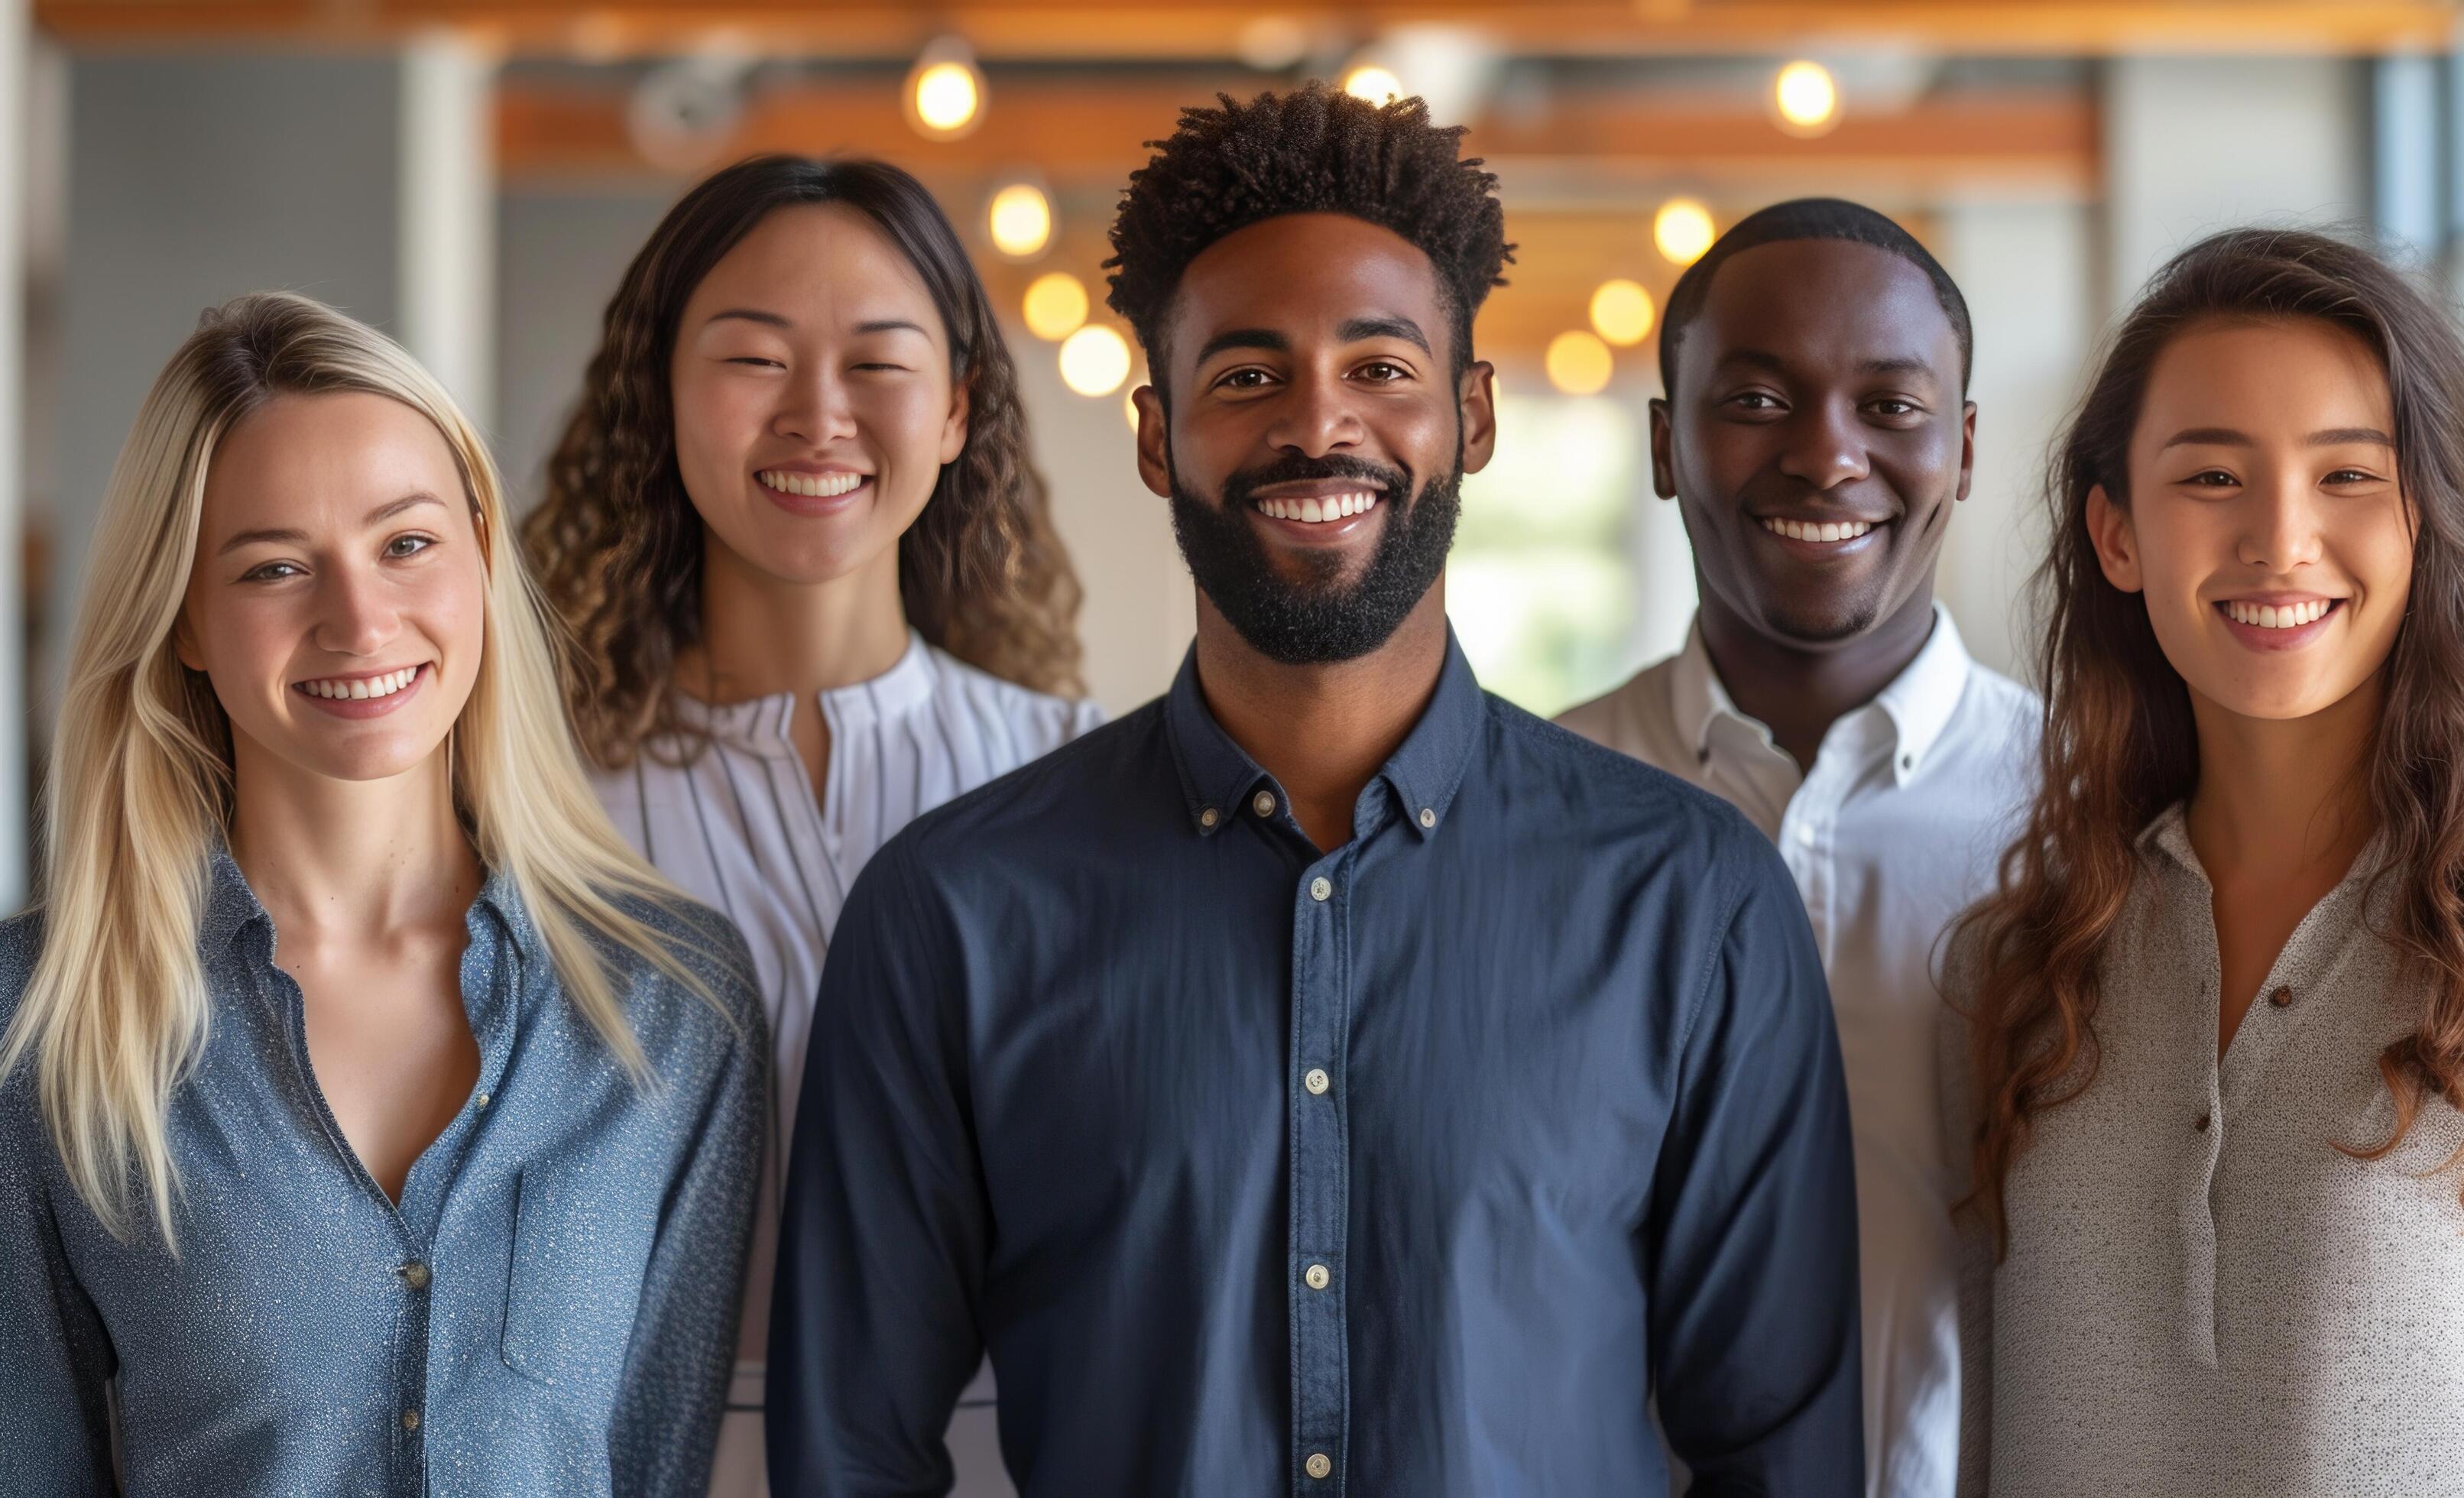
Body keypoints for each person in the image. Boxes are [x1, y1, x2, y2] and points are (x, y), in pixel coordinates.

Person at [767, 83, 1863, 1496]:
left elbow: (1781, 1452)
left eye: (1380, 369)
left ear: (1470, 416)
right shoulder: (951, 914)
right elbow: (850, 1448)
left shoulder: (1693, 904)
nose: (1317, 425)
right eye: (1245, 376)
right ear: (1158, 437)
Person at [1940, 227, 2464, 1495]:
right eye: (2212, 478)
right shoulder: (2014, 963)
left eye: (2346, 477)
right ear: (2117, 536)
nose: (2280, 539)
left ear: (2426, 520)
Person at [0, 292, 764, 1496]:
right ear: (185, 618)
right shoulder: (39, 1020)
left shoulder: (670, 999)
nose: (358, 620)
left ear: (479, 551)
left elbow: (656, 1461)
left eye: (405, 544)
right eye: (273, 567)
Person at [522, 154, 1101, 1496]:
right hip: (636, 1457)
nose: (818, 415)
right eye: (754, 360)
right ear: (660, 398)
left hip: (1021, 1450)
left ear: (957, 410)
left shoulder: (1081, 780)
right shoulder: (532, 805)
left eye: (877, 363)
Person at [1558, 198, 2034, 1498]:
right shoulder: (1525, 813)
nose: (1827, 458)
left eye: (1890, 407)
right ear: (1666, 445)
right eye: (1757, 401)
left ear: (1966, 447)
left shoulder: (2092, 819)